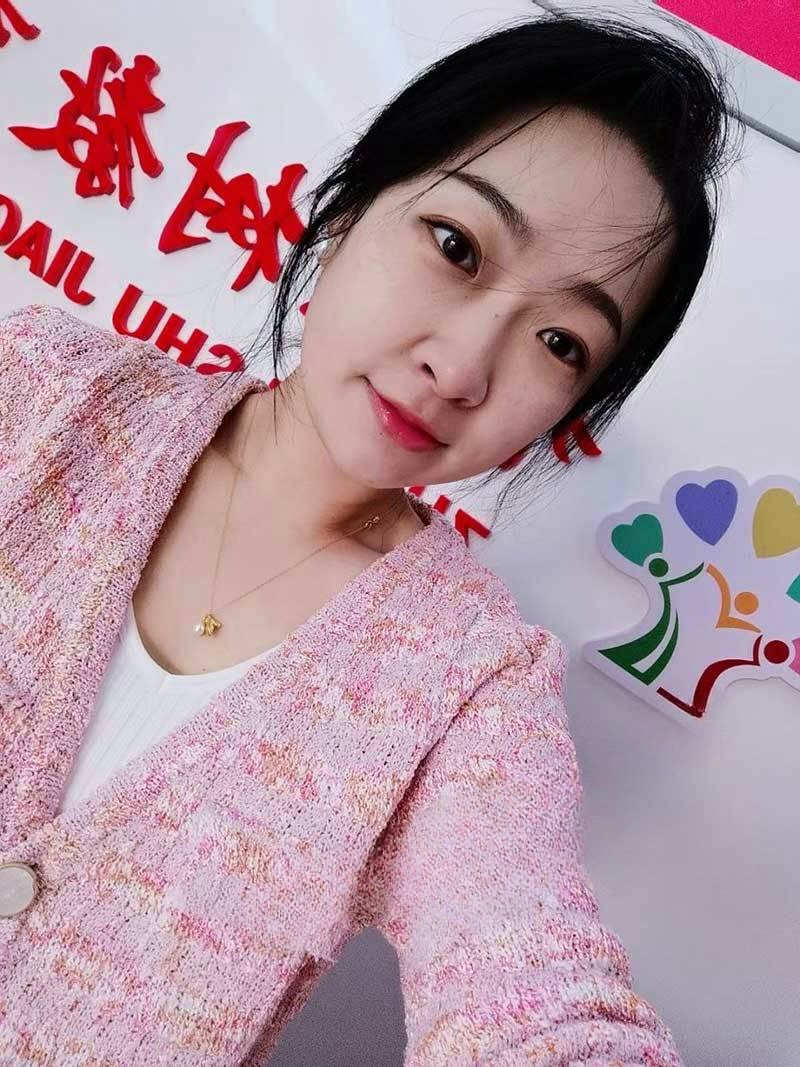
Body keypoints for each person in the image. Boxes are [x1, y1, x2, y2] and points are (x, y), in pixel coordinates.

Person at [0, 10, 742, 1065]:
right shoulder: (37, 397)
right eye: (456, 247)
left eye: (558, 340)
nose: (462, 365)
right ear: (349, 210)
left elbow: (529, 991)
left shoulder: (467, 684)